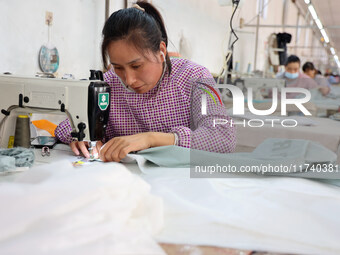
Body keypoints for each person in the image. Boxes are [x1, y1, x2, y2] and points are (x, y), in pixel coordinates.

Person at [55, 1, 236, 162]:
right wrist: (82, 135)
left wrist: (151, 139)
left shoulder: (194, 77)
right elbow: (66, 126)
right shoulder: (108, 84)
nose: (128, 80)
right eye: (118, 67)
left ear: (161, 51)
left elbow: (222, 138)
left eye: (137, 66)